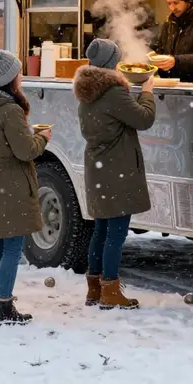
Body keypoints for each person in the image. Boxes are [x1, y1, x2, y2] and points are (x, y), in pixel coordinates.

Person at [72, 38, 156, 309]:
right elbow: (144, 119)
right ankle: (111, 290)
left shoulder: (87, 91)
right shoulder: (113, 92)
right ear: (111, 63)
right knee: (116, 235)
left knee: (101, 230)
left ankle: (94, 288)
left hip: (98, 169)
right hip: (116, 169)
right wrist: (147, 92)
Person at [0, 44, 50, 325]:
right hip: (13, 183)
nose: (21, 78)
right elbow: (25, 150)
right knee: (12, 247)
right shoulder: (10, 111)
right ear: (11, 79)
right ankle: (5, 306)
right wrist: (43, 138)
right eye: (18, 74)